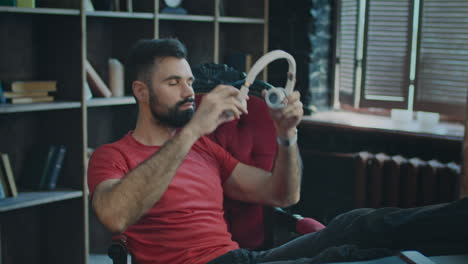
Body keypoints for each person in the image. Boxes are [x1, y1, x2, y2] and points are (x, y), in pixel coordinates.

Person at [88, 38, 468, 264]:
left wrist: (287, 136)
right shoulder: (113, 155)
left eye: (189, 81)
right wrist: (192, 132)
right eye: (174, 82)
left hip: (240, 258)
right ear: (141, 91)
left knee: (357, 223)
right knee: (342, 258)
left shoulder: (204, 149)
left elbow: (282, 194)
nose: (189, 92)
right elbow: (115, 215)